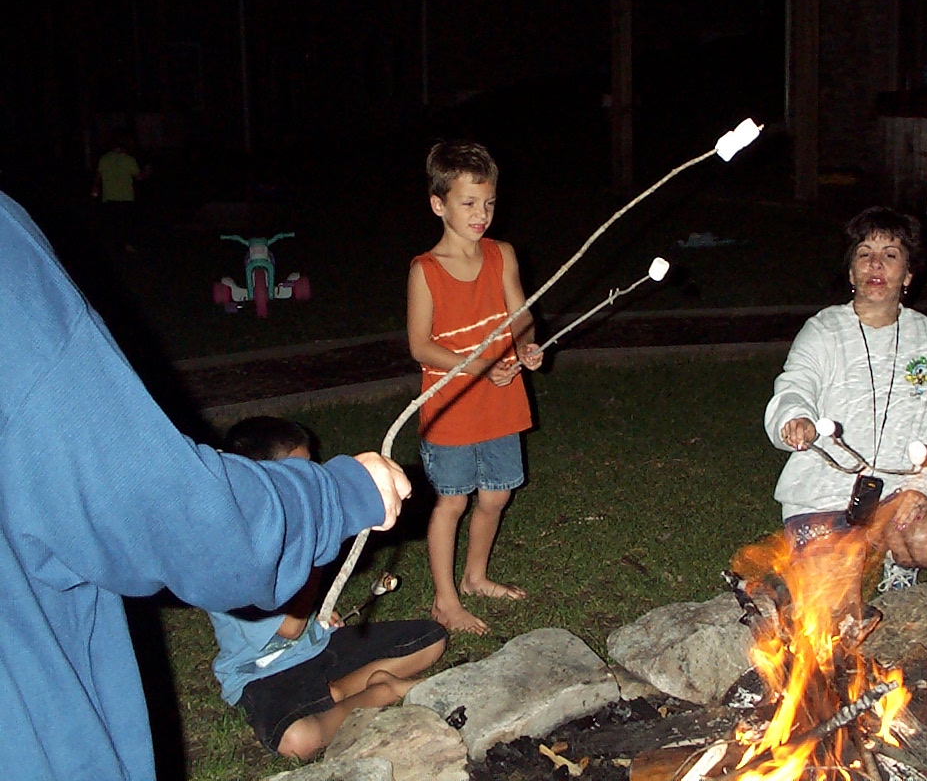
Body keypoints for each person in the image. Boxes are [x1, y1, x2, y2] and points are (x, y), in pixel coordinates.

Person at [0, 190, 412, 781]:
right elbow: (168, 509)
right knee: (298, 733)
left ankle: (349, 689)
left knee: (422, 641)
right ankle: (351, 696)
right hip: (45, 737)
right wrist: (338, 495)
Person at [209, 417, 447, 760]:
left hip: (316, 645)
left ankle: (342, 690)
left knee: (431, 640)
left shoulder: (292, 527)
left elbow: (301, 620)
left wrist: (320, 616)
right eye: (298, 472)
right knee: (298, 741)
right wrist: (319, 539)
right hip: (264, 671)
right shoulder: (230, 548)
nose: (309, 480)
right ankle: (379, 692)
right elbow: (289, 628)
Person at [764, 206, 927, 591]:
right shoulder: (824, 330)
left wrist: (924, 487)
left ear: (907, 274)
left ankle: (895, 560)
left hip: (895, 494)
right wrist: (795, 417)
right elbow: (795, 384)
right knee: (829, 604)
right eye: (865, 254)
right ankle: (838, 553)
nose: (876, 265)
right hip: (823, 495)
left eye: (890, 255)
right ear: (852, 272)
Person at [407, 140, 543, 634]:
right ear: (438, 205)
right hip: (452, 406)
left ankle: (475, 577)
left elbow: (520, 315)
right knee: (452, 501)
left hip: (501, 400)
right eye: (468, 203)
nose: (481, 214)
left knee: (495, 497)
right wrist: (480, 366)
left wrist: (525, 346)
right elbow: (421, 346)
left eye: (488, 203)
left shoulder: (501, 254)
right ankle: (445, 601)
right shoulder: (426, 270)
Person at [91, 126, 149, 251]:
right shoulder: (128, 159)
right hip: (125, 196)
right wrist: (147, 172)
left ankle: (114, 246)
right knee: (126, 223)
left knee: (113, 223)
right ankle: (126, 245)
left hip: (109, 196)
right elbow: (139, 177)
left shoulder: (104, 158)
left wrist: (95, 187)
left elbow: (98, 175)